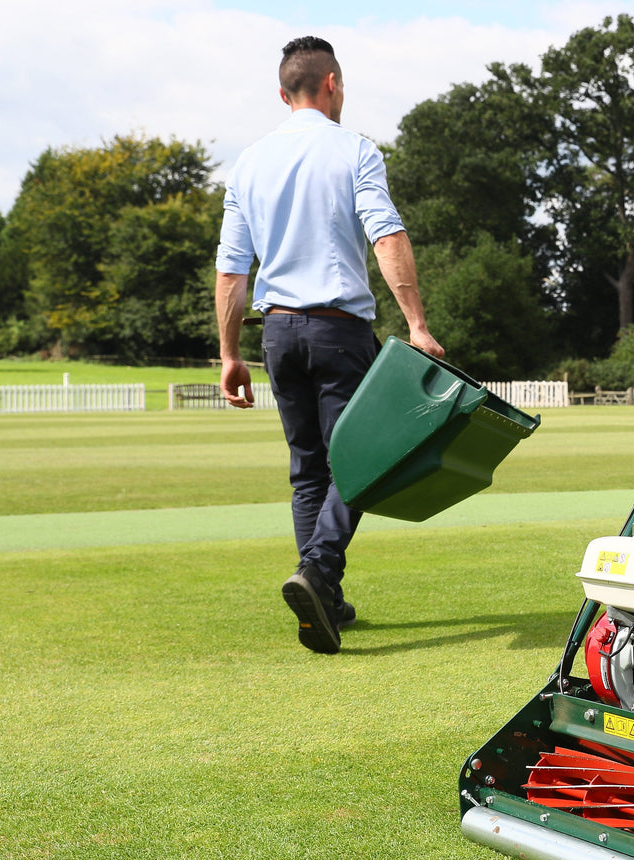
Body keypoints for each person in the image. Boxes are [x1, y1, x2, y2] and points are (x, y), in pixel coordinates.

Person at [215, 36, 445, 655]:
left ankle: (325, 598)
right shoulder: (355, 151)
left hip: (278, 332)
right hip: (339, 330)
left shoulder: (248, 163)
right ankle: (318, 571)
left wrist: (229, 354)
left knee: (307, 468)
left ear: (283, 92)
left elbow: (233, 271)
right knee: (365, 459)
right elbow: (386, 235)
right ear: (333, 84)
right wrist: (416, 323)